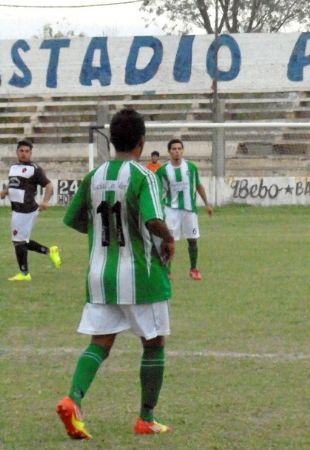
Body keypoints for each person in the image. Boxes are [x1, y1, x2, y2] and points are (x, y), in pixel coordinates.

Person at [57, 107, 175, 439]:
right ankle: (146, 419)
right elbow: (153, 219)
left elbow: (75, 220)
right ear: (141, 142)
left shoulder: (92, 177)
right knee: (154, 343)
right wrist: (168, 237)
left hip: (100, 275)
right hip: (140, 275)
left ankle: (73, 399)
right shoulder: (144, 176)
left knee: (101, 342)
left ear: (111, 140)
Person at [0, 139, 61, 281]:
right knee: (21, 241)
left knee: (18, 241)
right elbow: (13, 185)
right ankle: (49, 251)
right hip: (17, 210)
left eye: (27, 151)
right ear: (17, 152)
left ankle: (24, 273)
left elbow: (49, 185)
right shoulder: (13, 168)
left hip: (26, 210)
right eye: (21, 151)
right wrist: (4, 192)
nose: (24, 154)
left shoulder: (34, 169)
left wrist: (45, 201)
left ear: (31, 153)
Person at [155, 139, 213, 280]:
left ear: (182, 150)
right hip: (171, 209)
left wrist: (207, 204)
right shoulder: (163, 170)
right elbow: (157, 190)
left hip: (189, 209)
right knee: (169, 240)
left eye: (179, 148)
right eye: (174, 149)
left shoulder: (191, 167)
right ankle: (167, 270)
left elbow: (198, 186)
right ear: (169, 151)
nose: (177, 151)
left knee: (192, 239)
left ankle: (193, 269)